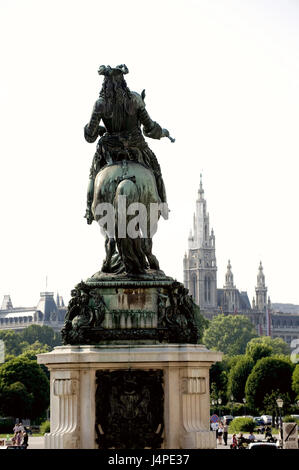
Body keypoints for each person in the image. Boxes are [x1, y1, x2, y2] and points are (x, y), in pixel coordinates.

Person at [84, 64, 170, 224]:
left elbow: (89, 136)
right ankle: (163, 204)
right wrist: (162, 132)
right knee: (156, 169)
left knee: (94, 173)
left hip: (110, 149)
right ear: (123, 81)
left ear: (105, 84)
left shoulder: (100, 104)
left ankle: (89, 208)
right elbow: (150, 128)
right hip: (136, 147)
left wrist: (97, 129)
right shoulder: (135, 99)